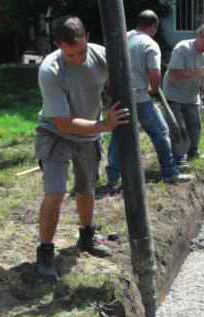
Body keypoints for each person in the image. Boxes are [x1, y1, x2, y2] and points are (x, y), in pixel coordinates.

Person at [35, 16, 130, 279]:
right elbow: (64, 124)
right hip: (55, 133)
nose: (78, 58)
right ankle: (45, 252)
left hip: (88, 134)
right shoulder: (50, 70)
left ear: (87, 36)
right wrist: (104, 125)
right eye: (71, 54)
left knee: (86, 188)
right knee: (55, 192)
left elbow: (119, 85)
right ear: (59, 45)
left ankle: (87, 236)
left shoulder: (102, 56)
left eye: (81, 51)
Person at [105, 10, 191, 189]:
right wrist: (153, 89)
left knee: (119, 136)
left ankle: (113, 177)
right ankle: (170, 173)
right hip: (140, 97)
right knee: (161, 132)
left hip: (119, 96)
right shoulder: (150, 44)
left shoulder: (122, 36)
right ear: (154, 27)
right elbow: (154, 73)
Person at [163, 23, 204, 168]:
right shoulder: (182, 48)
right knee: (178, 127)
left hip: (192, 95)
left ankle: (193, 151)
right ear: (199, 37)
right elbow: (173, 74)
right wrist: (194, 73)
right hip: (174, 93)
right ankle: (179, 157)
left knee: (195, 126)